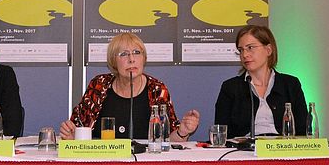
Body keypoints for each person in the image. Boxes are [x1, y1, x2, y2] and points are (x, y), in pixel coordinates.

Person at [59, 33, 200, 140]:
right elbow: (78, 130)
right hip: (103, 163)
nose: (131, 59)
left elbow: (168, 140)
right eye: (124, 54)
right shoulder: (99, 85)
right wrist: (71, 136)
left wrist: (183, 131)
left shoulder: (157, 89)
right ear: (113, 61)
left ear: (144, 58)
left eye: (137, 53)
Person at [214, 25, 307, 138]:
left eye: (250, 48)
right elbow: (221, 133)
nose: (245, 55)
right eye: (241, 50)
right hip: (244, 151)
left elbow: (303, 130)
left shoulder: (290, 84)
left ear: (268, 50)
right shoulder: (230, 87)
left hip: (282, 149)